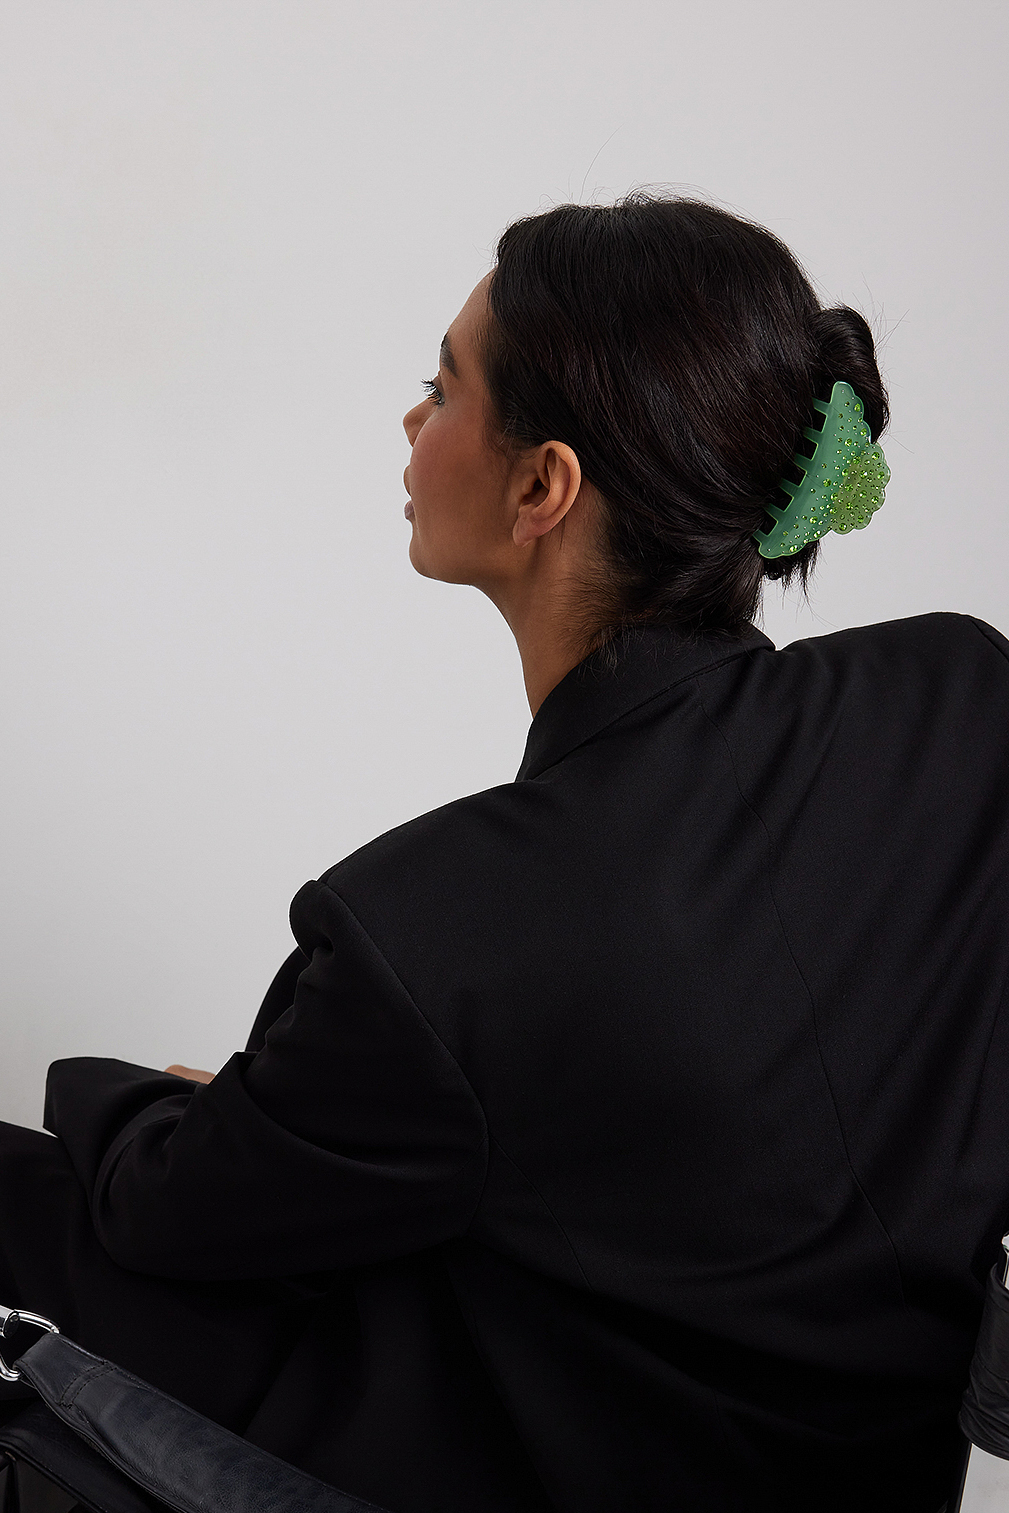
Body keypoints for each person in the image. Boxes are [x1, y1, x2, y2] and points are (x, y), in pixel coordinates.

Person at [2, 191, 1007, 1513]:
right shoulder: (955, 700)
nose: (411, 423)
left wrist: (173, 1109)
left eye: (442, 388)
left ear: (543, 487)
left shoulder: (438, 930)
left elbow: (168, 1211)